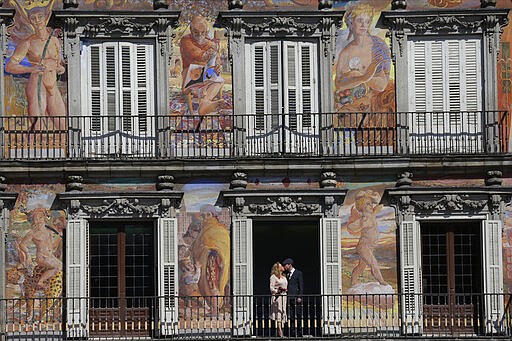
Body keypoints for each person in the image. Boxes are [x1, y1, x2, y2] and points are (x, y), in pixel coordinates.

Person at [5, 6, 66, 131]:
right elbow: (10, 66)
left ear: (46, 18)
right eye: (33, 18)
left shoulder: (55, 41)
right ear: (30, 22)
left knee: (62, 124)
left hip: (52, 83)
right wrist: (31, 69)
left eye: (40, 17)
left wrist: (60, 68)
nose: (37, 21)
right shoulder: (28, 42)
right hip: (37, 82)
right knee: (38, 125)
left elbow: (61, 65)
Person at [334, 3, 391, 113]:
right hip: (351, 109)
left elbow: (382, 84)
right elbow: (339, 85)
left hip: (375, 108)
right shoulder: (345, 52)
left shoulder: (378, 46)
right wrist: (364, 77)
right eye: (360, 20)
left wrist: (355, 76)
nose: (364, 25)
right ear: (350, 23)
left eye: (367, 21)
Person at [179, 15, 224, 116]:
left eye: (202, 32)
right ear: (191, 30)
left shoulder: (208, 41)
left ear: (206, 31)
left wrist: (217, 66)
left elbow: (215, 57)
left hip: (207, 71)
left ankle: (205, 102)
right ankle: (203, 104)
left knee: (219, 79)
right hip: (192, 72)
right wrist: (211, 47)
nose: (200, 35)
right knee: (208, 72)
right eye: (196, 32)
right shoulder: (185, 40)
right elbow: (200, 56)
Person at [346, 190, 388, 286]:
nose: (371, 206)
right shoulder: (364, 219)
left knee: (361, 266)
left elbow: (379, 202)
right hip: (364, 246)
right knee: (374, 263)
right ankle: (381, 281)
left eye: (370, 204)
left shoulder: (372, 214)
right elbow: (351, 227)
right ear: (362, 206)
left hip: (370, 246)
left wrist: (369, 196)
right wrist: (359, 224)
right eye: (368, 204)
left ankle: (353, 281)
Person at [16, 207, 62, 289]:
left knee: (61, 266)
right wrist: (27, 255)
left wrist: (59, 239)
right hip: (42, 257)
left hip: (50, 256)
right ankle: (40, 282)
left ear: (44, 218)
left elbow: (52, 246)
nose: (38, 220)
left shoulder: (49, 232)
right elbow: (22, 244)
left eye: (40, 218)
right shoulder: (33, 233)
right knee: (56, 266)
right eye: (36, 219)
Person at [282, 258, 303, 337]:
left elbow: (301, 286)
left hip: (296, 297)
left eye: (286, 265)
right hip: (289, 297)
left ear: (290, 265)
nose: (285, 267)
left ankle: (299, 332)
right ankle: (293, 332)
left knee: (298, 314)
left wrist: (299, 296)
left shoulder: (298, 273)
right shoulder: (286, 274)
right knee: (291, 315)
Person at [269, 262, 288, 338]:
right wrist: (277, 291)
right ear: (277, 268)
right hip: (277, 297)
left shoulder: (284, 276)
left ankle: (281, 330)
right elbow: (271, 287)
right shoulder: (273, 277)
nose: (283, 267)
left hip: (284, 296)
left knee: (282, 311)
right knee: (278, 313)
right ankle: (280, 332)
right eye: (281, 266)